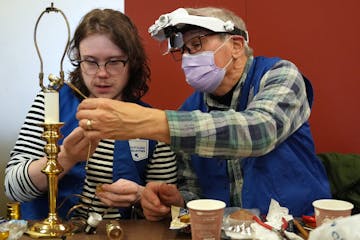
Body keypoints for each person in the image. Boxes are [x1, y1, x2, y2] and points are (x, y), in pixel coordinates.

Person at [75, 7, 332, 218]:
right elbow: (194, 191)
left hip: (298, 226)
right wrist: (176, 201)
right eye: (183, 49)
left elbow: (259, 131)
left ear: (236, 45)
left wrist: (149, 122)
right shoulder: (190, 109)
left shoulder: (280, 75)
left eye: (196, 44)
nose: (188, 57)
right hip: (229, 231)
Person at [4, 8, 177, 221]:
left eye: (114, 62)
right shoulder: (51, 104)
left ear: (131, 62)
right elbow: (13, 189)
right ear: (78, 59)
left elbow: (167, 208)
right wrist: (65, 158)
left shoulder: (151, 120)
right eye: (91, 61)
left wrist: (141, 197)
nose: (102, 73)